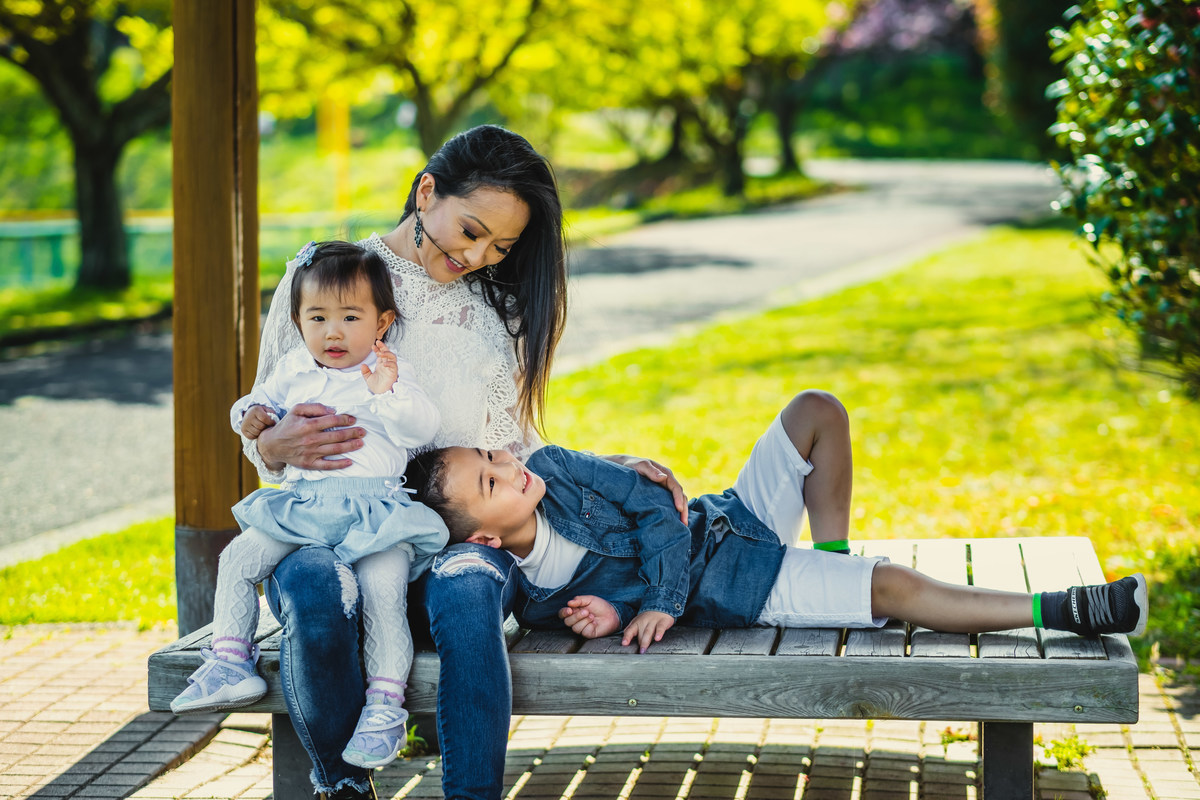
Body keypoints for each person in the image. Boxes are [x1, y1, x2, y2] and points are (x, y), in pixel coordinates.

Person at [241, 125, 820, 800]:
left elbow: (510, 443)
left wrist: (604, 463)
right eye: (470, 231)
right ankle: (342, 789)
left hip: (449, 543)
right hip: (327, 524)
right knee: (312, 582)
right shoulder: (323, 276)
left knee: (468, 584)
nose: (477, 256)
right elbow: (263, 416)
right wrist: (270, 446)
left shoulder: (495, 309)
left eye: (500, 246)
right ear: (426, 193)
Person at [405, 435, 1149, 653]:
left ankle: (833, 565)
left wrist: (658, 598)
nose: (508, 466)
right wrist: (613, 616)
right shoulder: (538, 602)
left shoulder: (554, 466)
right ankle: (1064, 608)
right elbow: (628, 606)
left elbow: (657, 510)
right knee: (893, 587)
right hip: (742, 582)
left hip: (727, 517)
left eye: (493, 456)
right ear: (483, 536)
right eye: (491, 480)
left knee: (815, 411)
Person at [171, 240, 448, 772]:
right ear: (298, 321)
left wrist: (386, 393)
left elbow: (421, 429)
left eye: (350, 317)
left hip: (376, 513)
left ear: (382, 322)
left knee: (382, 593)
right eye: (317, 318)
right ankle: (231, 659)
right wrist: (250, 417)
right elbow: (253, 401)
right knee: (238, 558)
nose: (333, 333)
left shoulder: (390, 372)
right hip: (304, 507)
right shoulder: (295, 368)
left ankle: (385, 706)